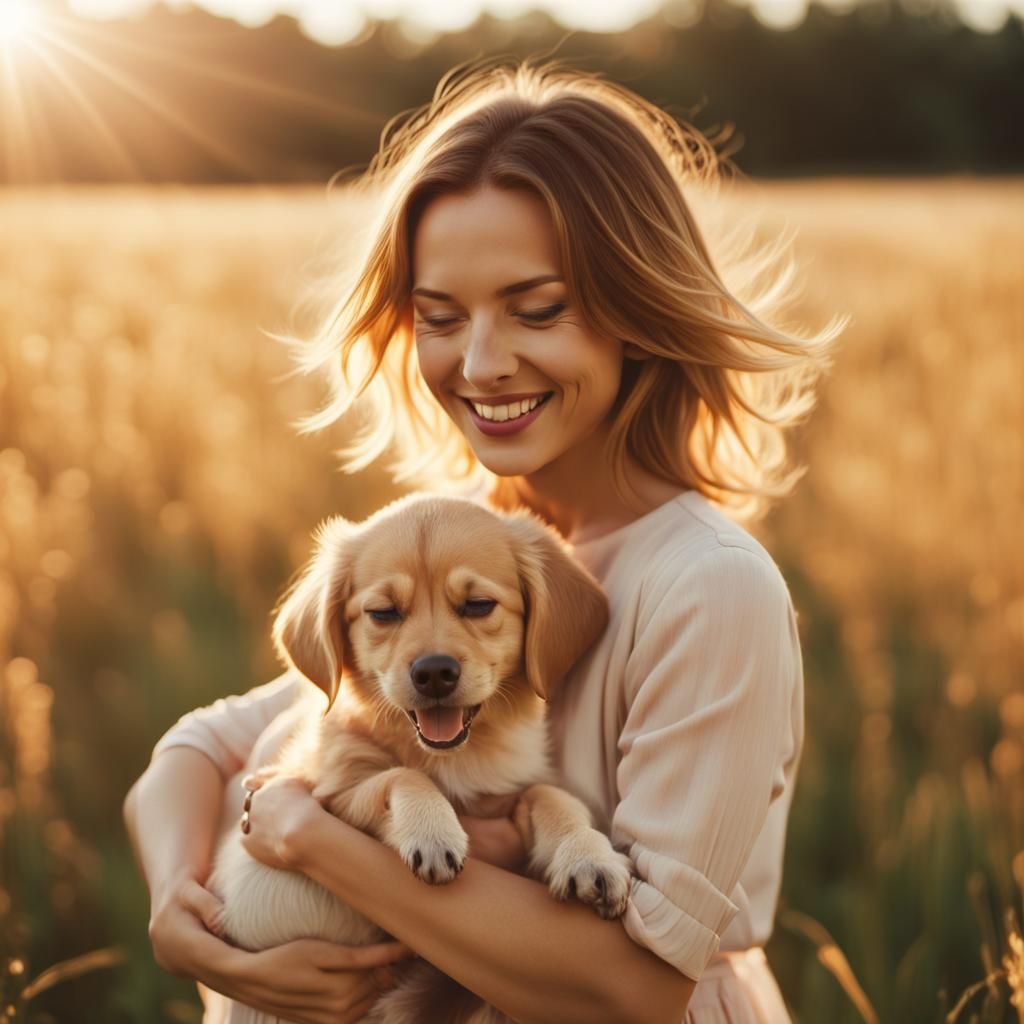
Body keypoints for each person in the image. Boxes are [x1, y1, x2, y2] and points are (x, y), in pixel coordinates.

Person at [123, 55, 846, 1023]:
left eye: (536, 308)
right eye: (438, 317)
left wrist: (314, 838)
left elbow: (632, 991)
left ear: (637, 304)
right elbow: (199, 749)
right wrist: (178, 910)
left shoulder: (704, 586)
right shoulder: (461, 545)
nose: (481, 362)